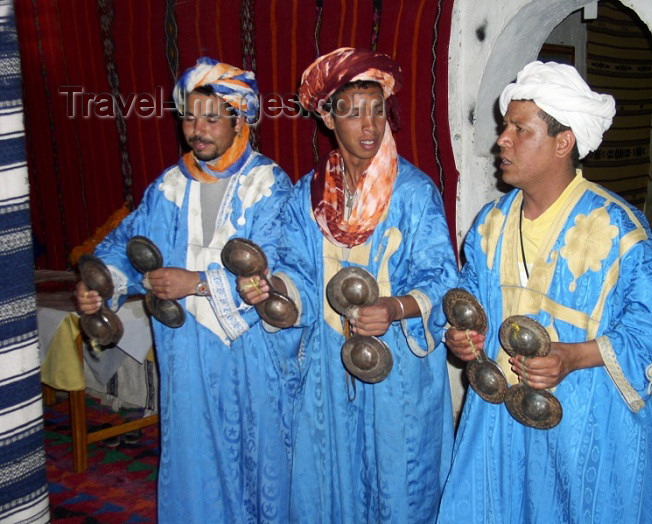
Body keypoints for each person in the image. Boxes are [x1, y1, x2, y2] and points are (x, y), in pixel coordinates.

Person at [437, 61, 652, 523]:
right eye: (505, 126)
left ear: (563, 142)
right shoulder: (492, 225)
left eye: (519, 129)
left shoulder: (618, 229)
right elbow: (468, 298)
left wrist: (573, 356)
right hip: (500, 429)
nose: (502, 140)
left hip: (583, 433)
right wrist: (463, 334)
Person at [238, 47, 458, 522]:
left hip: (399, 369)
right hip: (327, 370)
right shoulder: (308, 196)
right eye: (352, 112)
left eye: (377, 111)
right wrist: (273, 291)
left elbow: (443, 279)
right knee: (328, 484)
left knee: (401, 485)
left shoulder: (414, 194)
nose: (368, 126)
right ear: (326, 118)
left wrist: (395, 308)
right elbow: (296, 270)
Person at [75, 57, 294, 522]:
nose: (197, 129)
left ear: (240, 120)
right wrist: (102, 285)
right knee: (192, 463)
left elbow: (277, 267)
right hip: (185, 355)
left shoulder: (268, 185)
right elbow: (124, 247)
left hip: (249, 360)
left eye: (212, 118)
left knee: (258, 465)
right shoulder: (169, 187)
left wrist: (195, 283)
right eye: (190, 117)